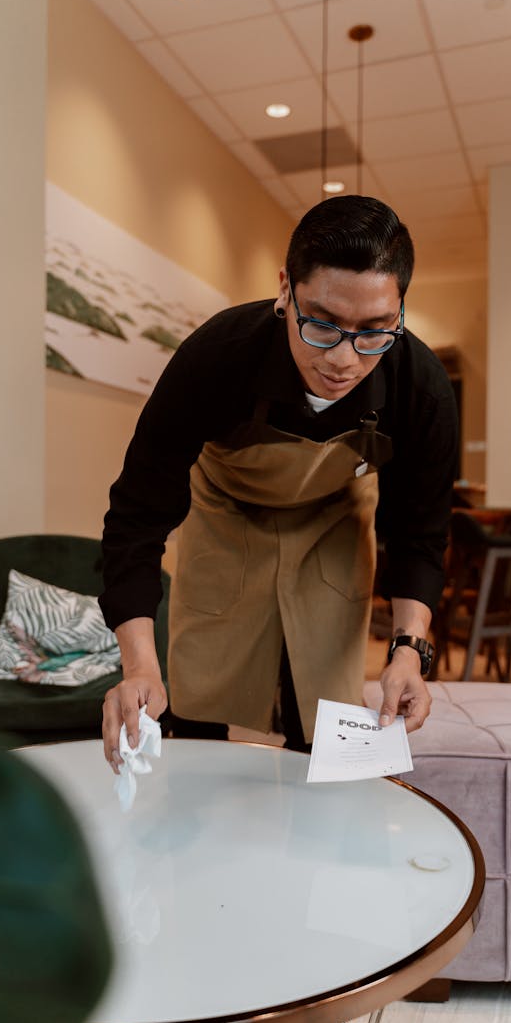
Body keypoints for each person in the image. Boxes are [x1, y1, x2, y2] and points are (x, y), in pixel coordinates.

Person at [99, 195, 459, 771]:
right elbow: (135, 520)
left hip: (337, 520)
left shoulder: (420, 386)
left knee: (322, 717)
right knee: (197, 700)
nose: (344, 359)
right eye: (322, 324)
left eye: (374, 332)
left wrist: (409, 649)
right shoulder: (217, 358)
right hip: (227, 512)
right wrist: (138, 665)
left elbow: (420, 532)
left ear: (399, 312)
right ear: (285, 290)